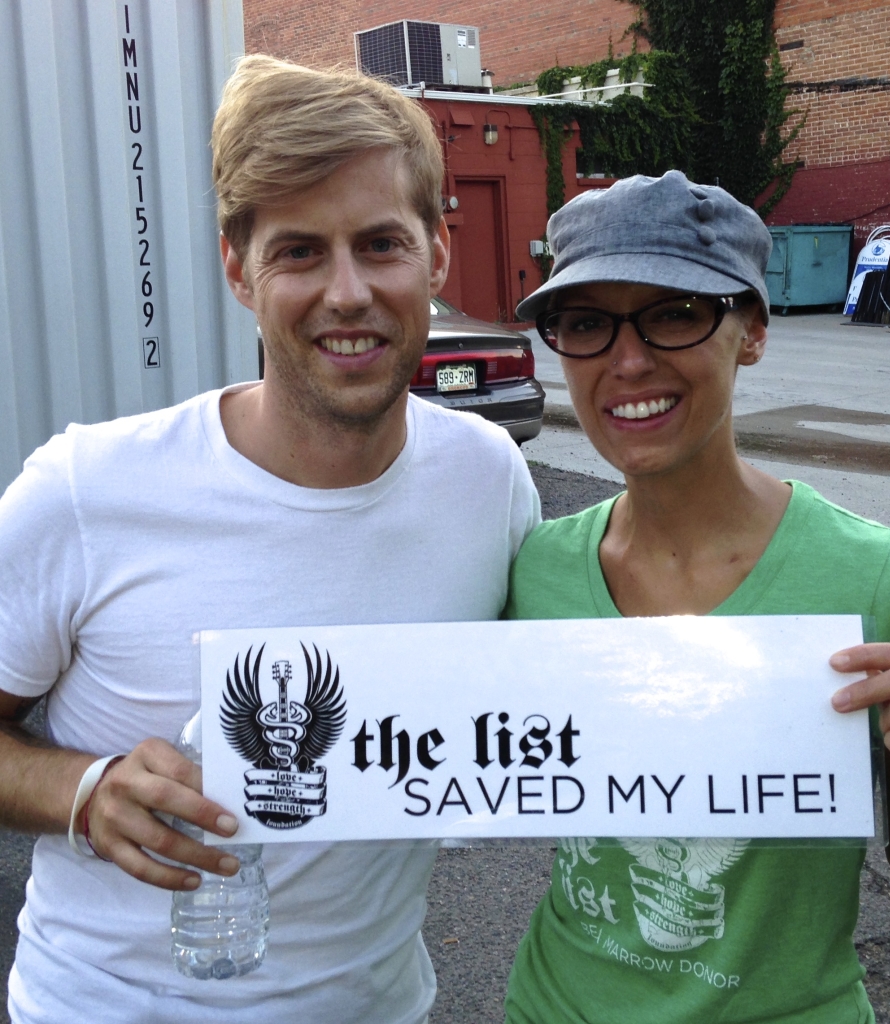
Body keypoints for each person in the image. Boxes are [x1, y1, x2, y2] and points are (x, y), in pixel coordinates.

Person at [0, 55, 539, 1023]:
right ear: (236, 267)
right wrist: (83, 788)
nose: (345, 292)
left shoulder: (487, 478)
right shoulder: (85, 490)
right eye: (299, 252)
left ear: (437, 254)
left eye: (380, 244)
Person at [502, 171, 890, 1023]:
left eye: (676, 312)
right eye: (585, 323)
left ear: (752, 328)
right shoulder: (534, 571)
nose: (628, 359)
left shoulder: (875, 581)